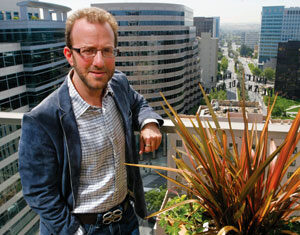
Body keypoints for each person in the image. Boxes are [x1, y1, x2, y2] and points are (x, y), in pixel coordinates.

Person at [18, 7, 164, 235]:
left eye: (107, 50)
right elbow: (39, 192)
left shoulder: (119, 84)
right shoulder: (43, 119)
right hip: (81, 228)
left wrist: (148, 123)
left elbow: (138, 103)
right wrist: (74, 231)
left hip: (126, 222)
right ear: (69, 55)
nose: (99, 61)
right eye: (88, 51)